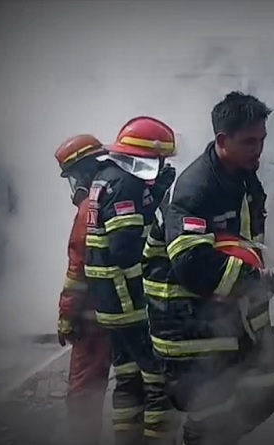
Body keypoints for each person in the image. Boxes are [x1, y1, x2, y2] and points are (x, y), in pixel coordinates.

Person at [144, 91, 274, 445]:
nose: (258, 149)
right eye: (249, 141)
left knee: (267, 389)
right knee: (211, 411)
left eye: (261, 140)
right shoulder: (194, 189)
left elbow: (242, 241)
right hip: (190, 323)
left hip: (233, 313)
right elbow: (193, 266)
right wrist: (265, 280)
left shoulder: (243, 175)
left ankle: (203, 435)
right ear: (222, 140)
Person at [85, 117, 178, 445]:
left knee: (127, 380)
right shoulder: (126, 184)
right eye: (160, 160)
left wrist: (157, 191)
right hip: (128, 299)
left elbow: (129, 217)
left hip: (108, 299)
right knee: (158, 382)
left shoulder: (107, 176)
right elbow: (125, 247)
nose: (163, 165)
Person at [54, 134, 112, 445]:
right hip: (127, 309)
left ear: (85, 170)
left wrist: (66, 316)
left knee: (83, 394)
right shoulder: (119, 191)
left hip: (92, 318)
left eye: (74, 176)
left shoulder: (89, 206)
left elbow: (77, 270)